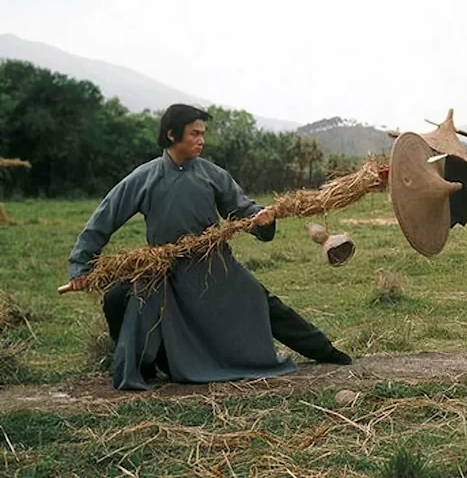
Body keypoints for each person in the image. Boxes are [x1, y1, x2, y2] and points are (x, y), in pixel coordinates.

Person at [67, 104, 350, 390]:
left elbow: (245, 211)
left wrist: (262, 220)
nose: (201, 140)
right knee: (116, 298)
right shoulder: (144, 178)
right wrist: (81, 267)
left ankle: (324, 350)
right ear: (171, 135)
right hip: (165, 272)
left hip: (214, 266)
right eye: (195, 134)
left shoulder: (213, 175)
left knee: (260, 301)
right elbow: (103, 219)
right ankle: (145, 366)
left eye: (203, 134)